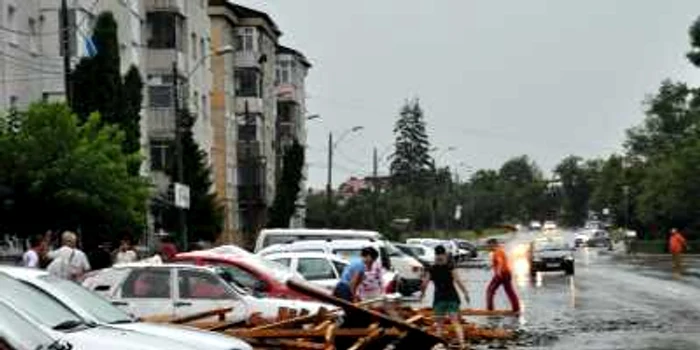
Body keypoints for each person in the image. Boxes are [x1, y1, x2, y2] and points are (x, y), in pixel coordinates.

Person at [420, 245, 469, 346]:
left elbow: (424, 283)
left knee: (439, 325)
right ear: (444, 253)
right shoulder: (450, 266)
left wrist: (422, 294)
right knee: (455, 322)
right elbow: (458, 280)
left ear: (435, 254)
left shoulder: (432, 268)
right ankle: (462, 344)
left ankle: (440, 345)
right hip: (452, 297)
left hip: (439, 299)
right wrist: (465, 293)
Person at [486, 238, 520, 313]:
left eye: (488, 246)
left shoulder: (497, 252)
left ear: (493, 244)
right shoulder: (500, 250)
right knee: (510, 291)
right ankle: (516, 308)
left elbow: (500, 262)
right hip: (507, 273)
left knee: (489, 290)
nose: (488, 248)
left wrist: (498, 272)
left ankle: (490, 310)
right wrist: (491, 266)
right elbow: (500, 262)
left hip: (502, 274)